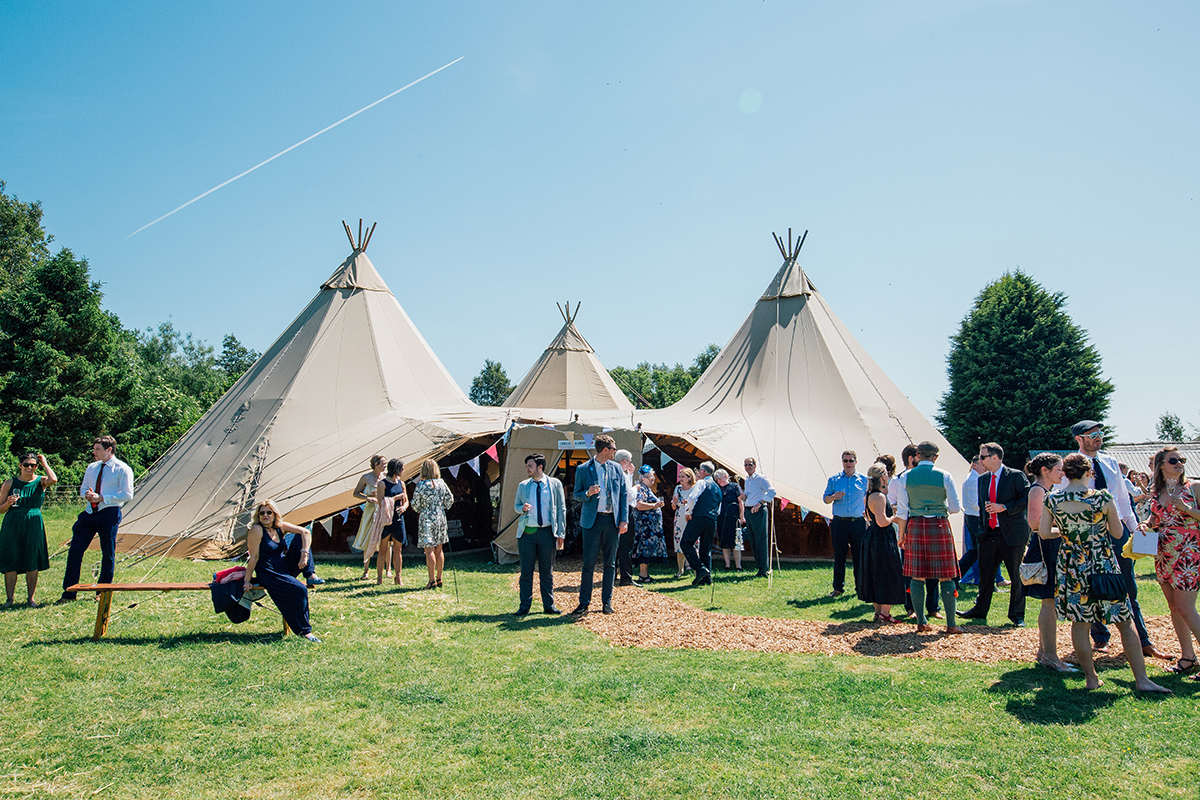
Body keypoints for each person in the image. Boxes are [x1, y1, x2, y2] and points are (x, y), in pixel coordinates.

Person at [1037, 454, 1168, 693]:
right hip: (1102, 563)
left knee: (1080, 623)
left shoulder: (1052, 499)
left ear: (1065, 473)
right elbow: (1117, 533)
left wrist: (1070, 533)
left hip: (1072, 566)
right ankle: (1142, 680)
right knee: (1124, 622)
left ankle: (1091, 678)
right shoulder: (1102, 497)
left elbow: (1045, 533)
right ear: (1089, 473)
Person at [1068, 421, 1168, 659]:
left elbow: (1123, 501)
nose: (1098, 438)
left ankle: (1143, 640)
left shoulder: (1110, 462)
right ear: (1079, 439)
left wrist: (1134, 529)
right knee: (1091, 585)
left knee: (1128, 585)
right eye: (1092, 435)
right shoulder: (1070, 465)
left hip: (1117, 530)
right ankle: (1100, 638)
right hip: (1088, 533)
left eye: (1099, 434)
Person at [959, 442, 1030, 627]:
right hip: (989, 533)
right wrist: (982, 529)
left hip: (1012, 533)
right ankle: (980, 610)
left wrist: (1004, 507)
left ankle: (1017, 615)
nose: (979, 460)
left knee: (1016, 576)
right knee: (985, 575)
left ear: (995, 457)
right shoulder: (983, 479)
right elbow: (982, 508)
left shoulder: (1015, 476)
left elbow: (1026, 498)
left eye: (983, 457)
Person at [895, 441, 962, 634]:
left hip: (915, 525)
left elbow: (902, 510)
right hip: (940, 525)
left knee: (917, 575)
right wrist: (940, 509)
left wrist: (901, 535)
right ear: (936, 457)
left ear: (917, 456)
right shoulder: (945, 476)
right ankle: (951, 625)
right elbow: (956, 507)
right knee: (947, 576)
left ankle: (922, 622)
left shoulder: (905, 477)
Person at [58, 436, 135, 603]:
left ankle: (102, 591)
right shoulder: (92, 467)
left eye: (98, 449)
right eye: (94, 449)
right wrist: (86, 494)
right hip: (89, 513)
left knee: (108, 552)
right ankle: (69, 592)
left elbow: (128, 494)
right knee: (75, 551)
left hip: (109, 512)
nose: (94, 452)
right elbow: (84, 487)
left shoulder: (122, 469)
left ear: (109, 450)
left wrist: (102, 497)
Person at [1145, 447, 1200, 677]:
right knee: (1174, 607)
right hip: (1164, 553)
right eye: (1174, 460)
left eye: (1181, 460)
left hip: (1188, 553)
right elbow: (1155, 519)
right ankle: (1187, 657)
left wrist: (1186, 509)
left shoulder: (1194, 487)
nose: (1179, 463)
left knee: (1186, 607)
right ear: (1161, 465)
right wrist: (1145, 525)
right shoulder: (1157, 491)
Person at [1021, 453, 1074, 672]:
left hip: (1048, 548)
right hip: (1044, 549)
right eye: (1059, 469)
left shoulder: (1045, 491)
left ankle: (1045, 652)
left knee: (1049, 601)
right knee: (1049, 601)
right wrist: (1068, 529)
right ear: (1045, 470)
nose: (1062, 473)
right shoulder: (1038, 490)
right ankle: (1051, 655)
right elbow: (1035, 524)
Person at [242, 500, 320, 643]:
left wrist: (304, 554)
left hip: (283, 566)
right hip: (267, 571)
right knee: (300, 589)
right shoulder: (257, 530)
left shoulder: (280, 527)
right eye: (262, 513)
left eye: (269, 512)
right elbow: (253, 557)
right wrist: (247, 580)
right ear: (258, 516)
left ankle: (310, 574)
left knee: (300, 537)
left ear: (274, 514)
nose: (265, 516)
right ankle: (305, 631)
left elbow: (306, 532)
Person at [571, 434, 628, 615]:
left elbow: (624, 495)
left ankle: (607, 602)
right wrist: (587, 493)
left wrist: (624, 519)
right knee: (589, 563)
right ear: (605, 450)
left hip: (612, 520)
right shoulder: (583, 469)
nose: (615, 452)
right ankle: (584, 602)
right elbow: (576, 494)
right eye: (614, 449)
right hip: (592, 521)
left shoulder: (617, 469)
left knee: (610, 563)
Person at [889, 445, 942, 620]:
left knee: (934, 569)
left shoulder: (931, 476)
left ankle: (933, 607)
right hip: (911, 525)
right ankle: (910, 607)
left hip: (930, 524)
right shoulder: (899, 480)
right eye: (919, 456)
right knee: (910, 570)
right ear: (913, 458)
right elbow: (892, 504)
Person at [1, 453, 58, 607]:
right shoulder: (9, 483)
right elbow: (0, 509)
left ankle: (30, 598)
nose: (29, 468)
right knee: (11, 559)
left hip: (33, 521)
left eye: (33, 465)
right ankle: (9, 599)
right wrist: (8, 503)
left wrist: (45, 463)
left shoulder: (41, 481)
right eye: (26, 464)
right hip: (12, 522)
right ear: (20, 465)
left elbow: (54, 480)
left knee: (32, 559)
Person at [512, 453, 566, 615]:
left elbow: (561, 509)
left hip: (547, 532)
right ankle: (524, 606)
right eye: (527, 466)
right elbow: (516, 506)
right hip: (527, 533)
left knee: (547, 572)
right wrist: (522, 508)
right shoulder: (523, 485)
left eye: (530, 466)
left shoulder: (554, 484)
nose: (527, 469)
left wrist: (561, 532)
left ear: (540, 467)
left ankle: (549, 605)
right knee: (526, 571)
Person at [857, 462, 905, 623]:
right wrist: (895, 518)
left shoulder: (869, 495)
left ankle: (878, 612)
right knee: (889, 572)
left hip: (871, 537)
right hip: (882, 537)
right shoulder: (879, 496)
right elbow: (882, 521)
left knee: (875, 573)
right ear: (883, 477)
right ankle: (885, 612)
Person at [823, 450, 869, 597]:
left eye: (851, 460)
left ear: (856, 462)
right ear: (842, 462)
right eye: (845, 461)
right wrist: (834, 496)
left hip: (858, 522)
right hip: (839, 522)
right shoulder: (834, 479)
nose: (848, 463)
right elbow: (825, 499)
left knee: (859, 557)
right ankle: (838, 588)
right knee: (840, 556)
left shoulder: (864, 480)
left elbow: (870, 498)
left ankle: (860, 588)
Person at [411, 459, 454, 590]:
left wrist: (421, 509)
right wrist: (442, 507)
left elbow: (415, 504)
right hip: (440, 518)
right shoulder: (441, 483)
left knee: (429, 550)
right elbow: (450, 499)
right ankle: (440, 577)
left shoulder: (421, 485)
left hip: (427, 519)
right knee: (439, 549)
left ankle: (431, 580)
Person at [681, 462, 721, 586]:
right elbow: (719, 507)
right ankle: (706, 578)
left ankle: (700, 568)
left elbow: (693, 497)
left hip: (699, 516)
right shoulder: (717, 488)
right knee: (706, 548)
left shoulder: (702, 482)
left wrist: (688, 512)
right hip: (711, 518)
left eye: (699, 470)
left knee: (686, 543)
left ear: (703, 471)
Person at [374, 459, 408, 586]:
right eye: (402, 468)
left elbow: (406, 500)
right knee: (383, 549)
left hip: (398, 519)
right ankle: (379, 577)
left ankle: (398, 577)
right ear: (396, 469)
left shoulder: (402, 484)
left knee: (397, 550)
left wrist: (404, 507)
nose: (403, 471)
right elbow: (380, 502)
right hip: (386, 520)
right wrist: (395, 498)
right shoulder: (382, 484)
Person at [631, 465, 667, 583]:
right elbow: (638, 504)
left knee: (646, 550)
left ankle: (644, 574)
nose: (653, 479)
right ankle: (643, 575)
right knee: (644, 549)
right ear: (644, 478)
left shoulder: (648, 489)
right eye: (651, 476)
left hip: (650, 527)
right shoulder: (641, 488)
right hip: (644, 527)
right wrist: (654, 506)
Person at [352, 455, 387, 579]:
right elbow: (355, 493)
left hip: (383, 510)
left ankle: (387, 570)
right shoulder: (366, 477)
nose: (385, 465)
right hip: (370, 510)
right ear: (376, 464)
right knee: (368, 538)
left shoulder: (386, 477)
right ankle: (366, 570)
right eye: (383, 463)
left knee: (385, 539)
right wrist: (367, 498)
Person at [742, 457, 776, 577]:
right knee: (752, 539)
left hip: (758, 510)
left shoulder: (760, 478)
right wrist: (744, 496)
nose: (748, 467)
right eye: (746, 465)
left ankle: (763, 569)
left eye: (750, 464)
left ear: (755, 466)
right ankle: (760, 566)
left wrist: (760, 503)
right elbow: (749, 494)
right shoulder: (747, 479)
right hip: (748, 510)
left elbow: (772, 491)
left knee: (760, 540)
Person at [614, 449, 638, 586]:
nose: (630, 463)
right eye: (629, 461)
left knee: (619, 545)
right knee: (625, 545)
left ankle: (619, 575)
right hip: (625, 510)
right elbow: (629, 494)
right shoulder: (621, 474)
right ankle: (626, 576)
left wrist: (630, 474)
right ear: (624, 461)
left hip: (619, 511)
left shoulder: (620, 473)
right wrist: (636, 487)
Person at [671, 468, 698, 579]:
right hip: (679, 516)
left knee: (694, 543)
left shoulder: (695, 489)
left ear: (689, 477)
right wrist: (674, 501)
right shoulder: (678, 489)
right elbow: (673, 506)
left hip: (691, 517)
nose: (680, 479)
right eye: (680, 477)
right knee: (679, 543)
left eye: (683, 477)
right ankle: (680, 569)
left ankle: (696, 568)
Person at [715, 469, 745, 570]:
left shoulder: (735, 487)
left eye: (720, 479)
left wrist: (742, 516)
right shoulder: (718, 489)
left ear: (725, 477)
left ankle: (738, 565)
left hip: (733, 517)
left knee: (736, 542)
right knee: (724, 541)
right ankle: (727, 565)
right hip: (721, 517)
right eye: (717, 480)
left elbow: (740, 502)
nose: (719, 482)